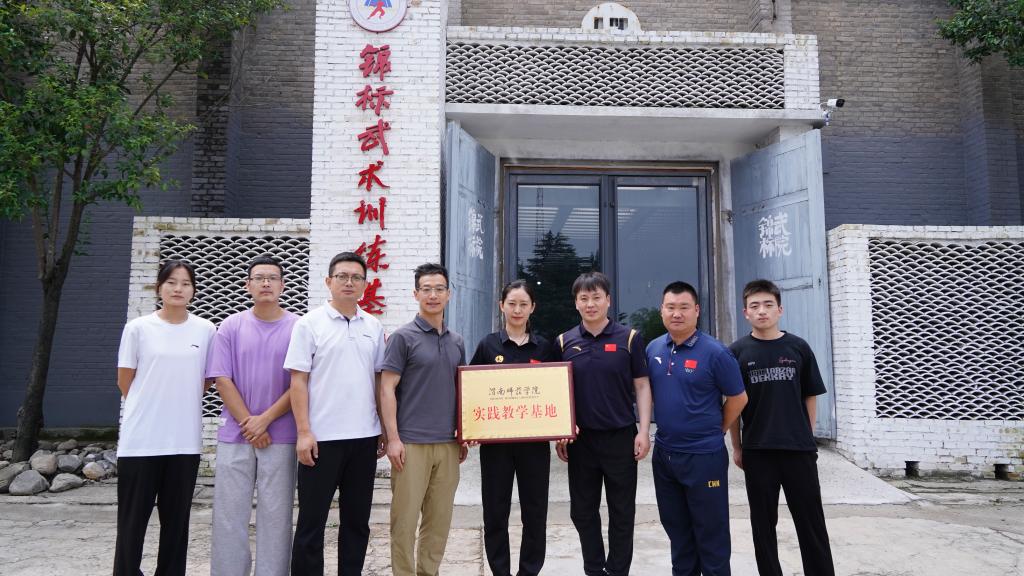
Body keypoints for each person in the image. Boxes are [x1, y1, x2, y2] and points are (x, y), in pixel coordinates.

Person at [284, 252, 387, 576]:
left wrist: (384, 429)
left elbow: (378, 381)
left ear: (365, 285)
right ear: (328, 281)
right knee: (311, 523)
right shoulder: (309, 324)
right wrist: (304, 432)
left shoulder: (373, 326)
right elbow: (298, 381)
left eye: (356, 277)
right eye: (342, 276)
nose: (349, 282)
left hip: (364, 438)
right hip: (321, 439)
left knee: (357, 522)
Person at [113, 259, 216, 576]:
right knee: (132, 523)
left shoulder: (206, 330)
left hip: (184, 441)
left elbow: (207, 379)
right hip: (141, 442)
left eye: (185, 283)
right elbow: (125, 380)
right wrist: (152, 401)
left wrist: (178, 398)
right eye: (171, 282)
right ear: (159, 287)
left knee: (176, 523)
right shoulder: (138, 328)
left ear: (193, 290)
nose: (178, 289)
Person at [729, 279, 835, 576]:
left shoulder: (798, 347)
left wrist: (808, 437)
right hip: (758, 450)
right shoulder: (737, 352)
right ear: (745, 312)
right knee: (763, 526)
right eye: (754, 306)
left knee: (811, 523)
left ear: (780, 309)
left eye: (768, 305)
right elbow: (733, 404)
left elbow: (810, 394)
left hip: (798, 451)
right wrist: (737, 446)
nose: (762, 311)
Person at [553, 271, 652, 576]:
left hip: (620, 437)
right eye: (584, 298)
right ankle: (595, 569)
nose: (590, 304)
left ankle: (617, 570)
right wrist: (560, 431)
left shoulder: (630, 338)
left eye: (596, 297)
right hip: (581, 442)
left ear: (608, 300)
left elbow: (642, 385)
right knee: (582, 511)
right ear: (576, 303)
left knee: (622, 511)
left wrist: (644, 430)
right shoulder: (564, 341)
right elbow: (556, 389)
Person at [645, 281, 747, 575]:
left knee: (711, 535)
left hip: (704, 457)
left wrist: (718, 429)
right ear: (662, 310)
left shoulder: (715, 352)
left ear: (697, 311)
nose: (677, 314)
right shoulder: (653, 349)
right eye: (670, 307)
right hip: (665, 455)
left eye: (684, 307)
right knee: (678, 533)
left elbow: (739, 398)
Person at [207, 255, 299, 576]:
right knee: (229, 514)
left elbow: (301, 383)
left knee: (276, 515)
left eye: (272, 278)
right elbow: (221, 378)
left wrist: (265, 420)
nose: (266, 283)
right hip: (236, 434)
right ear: (248, 285)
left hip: (282, 434)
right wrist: (251, 423)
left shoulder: (298, 327)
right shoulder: (230, 326)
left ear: (283, 285)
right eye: (259, 278)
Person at [380, 262, 468, 576]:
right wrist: (392, 438)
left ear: (449, 294)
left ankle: (428, 572)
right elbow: (387, 388)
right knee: (404, 522)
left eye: (439, 289)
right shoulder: (403, 338)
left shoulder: (457, 341)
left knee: (439, 521)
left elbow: (462, 389)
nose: (433, 295)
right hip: (411, 445)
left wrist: (463, 433)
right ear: (415, 294)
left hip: (447, 444)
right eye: (426, 289)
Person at [468, 279, 556, 576]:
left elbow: (558, 390)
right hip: (497, 445)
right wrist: (469, 427)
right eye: (512, 304)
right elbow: (471, 389)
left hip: (534, 445)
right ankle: (500, 571)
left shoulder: (544, 347)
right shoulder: (488, 345)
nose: (517, 310)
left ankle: (529, 570)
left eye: (523, 304)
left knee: (535, 512)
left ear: (533, 308)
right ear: (501, 306)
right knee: (495, 512)